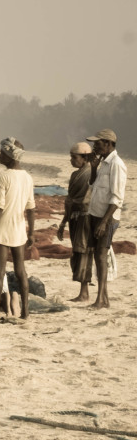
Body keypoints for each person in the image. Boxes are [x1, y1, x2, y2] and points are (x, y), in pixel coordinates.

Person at [0, 138, 34, 321]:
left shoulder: (3, 177)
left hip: (3, 229)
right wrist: (32, 232)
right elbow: (31, 208)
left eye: (2, 153)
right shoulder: (27, 177)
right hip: (19, 229)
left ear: (11, 155)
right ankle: (26, 312)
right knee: (21, 271)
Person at [85, 129, 127, 309]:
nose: (95, 146)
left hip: (106, 218)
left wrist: (103, 222)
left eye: (98, 143)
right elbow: (92, 184)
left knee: (101, 255)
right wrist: (93, 168)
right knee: (97, 255)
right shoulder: (104, 163)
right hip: (96, 214)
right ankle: (104, 298)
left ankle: (101, 299)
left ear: (108, 143)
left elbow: (117, 198)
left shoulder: (117, 164)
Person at [56, 142, 97, 302]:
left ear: (84, 157)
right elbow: (69, 201)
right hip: (74, 217)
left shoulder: (91, 175)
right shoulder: (74, 175)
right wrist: (63, 222)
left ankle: (84, 292)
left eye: (74, 157)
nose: (72, 160)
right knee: (77, 251)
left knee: (83, 251)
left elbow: (88, 199)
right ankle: (83, 291)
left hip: (85, 217)